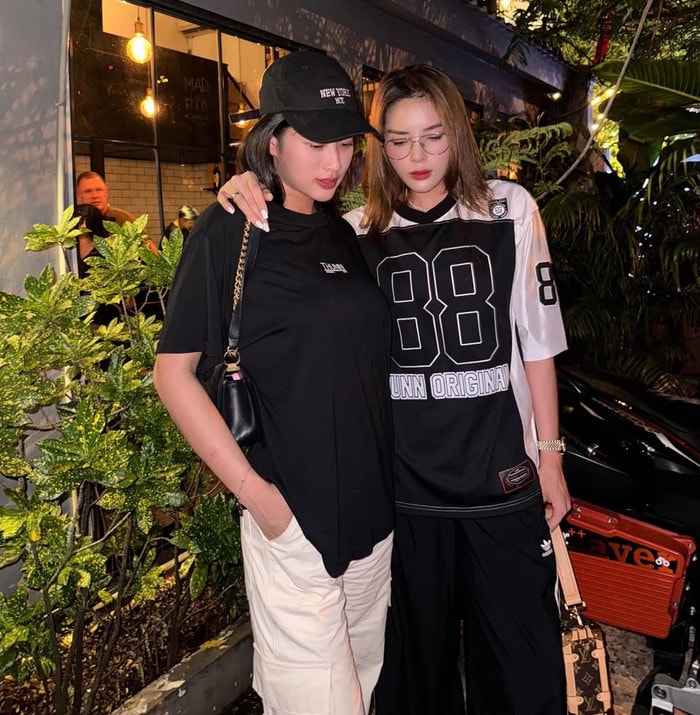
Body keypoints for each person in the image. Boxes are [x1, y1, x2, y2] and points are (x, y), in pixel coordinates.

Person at [218, 63, 570, 715]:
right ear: (380, 147)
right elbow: (284, 226)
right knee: (412, 682)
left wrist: (550, 456)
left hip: (501, 481)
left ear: (457, 133)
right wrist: (248, 184)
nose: (418, 156)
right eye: (400, 141)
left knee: (524, 674)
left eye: (434, 137)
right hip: (404, 496)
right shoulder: (355, 230)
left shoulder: (509, 208)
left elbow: (539, 342)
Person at [154, 51, 395, 715]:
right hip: (294, 527)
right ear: (272, 140)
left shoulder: (345, 234)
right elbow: (172, 375)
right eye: (316, 141)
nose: (334, 160)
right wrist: (260, 499)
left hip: (374, 524)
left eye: (345, 142)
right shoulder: (231, 229)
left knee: (364, 691)